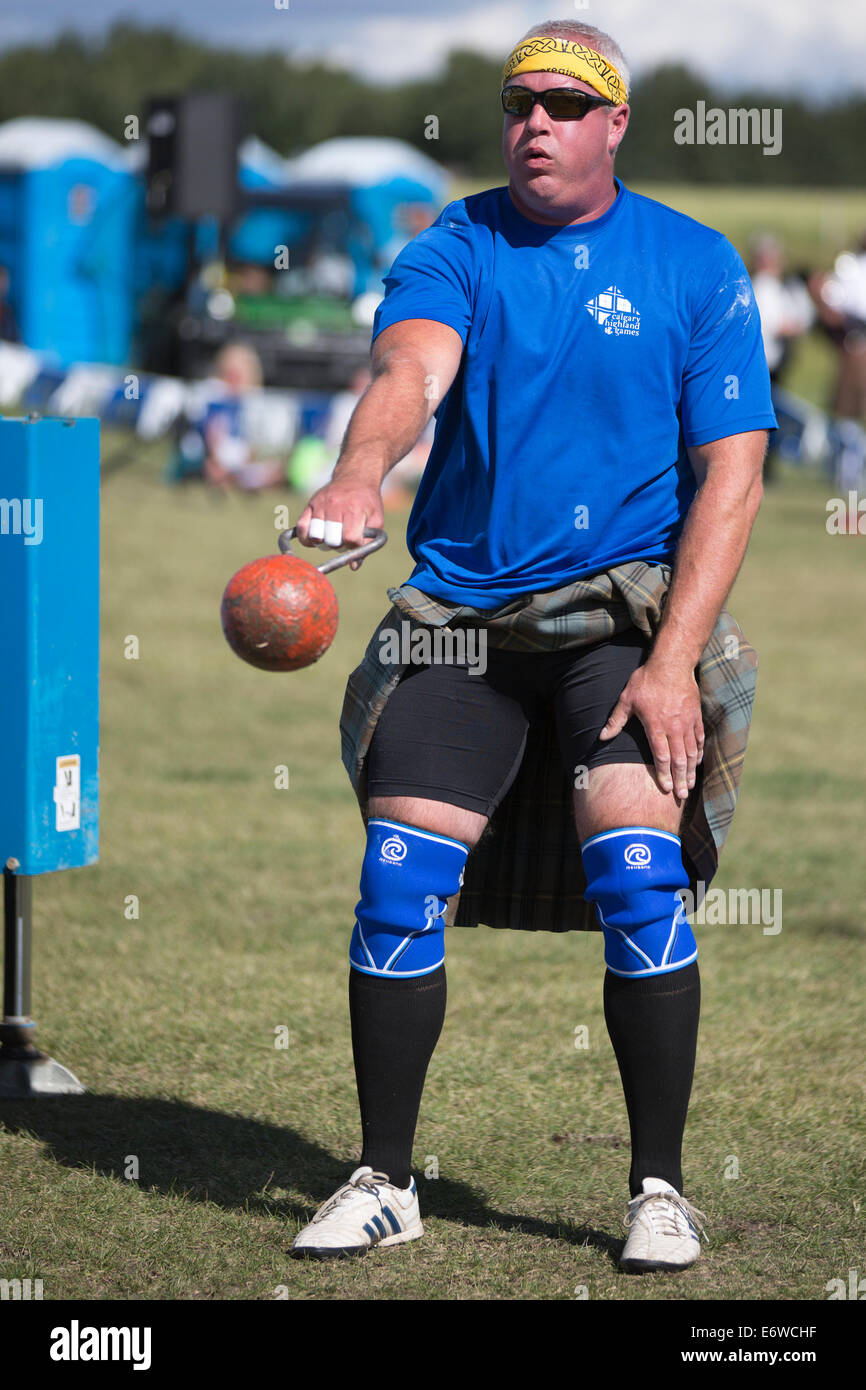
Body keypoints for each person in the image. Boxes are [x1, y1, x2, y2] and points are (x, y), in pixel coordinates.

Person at [289, 19, 776, 1274]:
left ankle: (657, 1189)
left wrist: (671, 664)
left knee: (635, 873)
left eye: (567, 103)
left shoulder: (693, 262)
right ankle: (385, 1178)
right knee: (399, 876)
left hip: (620, 624)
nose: (536, 123)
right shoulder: (457, 242)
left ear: (616, 123)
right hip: (460, 620)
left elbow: (732, 477)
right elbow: (410, 366)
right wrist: (357, 472)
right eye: (518, 102)